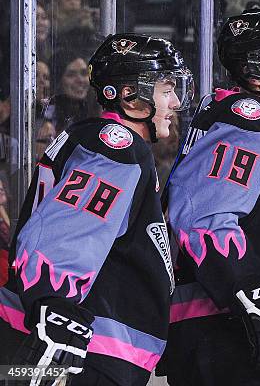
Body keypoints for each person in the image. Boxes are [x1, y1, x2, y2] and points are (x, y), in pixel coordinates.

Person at [0, 33, 194, 385]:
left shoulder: (98, 140)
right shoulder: (116, 147)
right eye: (166, 89)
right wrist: (56, 310)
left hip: (81, 347)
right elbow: (65, 237)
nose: (176, 101)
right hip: (84, 352)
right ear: (131, 97)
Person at [160, 9, 260, 386]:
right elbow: (203, 219)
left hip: (221, 320)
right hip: (223, 324)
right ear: (256, 72)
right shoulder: (251, 119)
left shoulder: (235, 111)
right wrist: (249, 290)